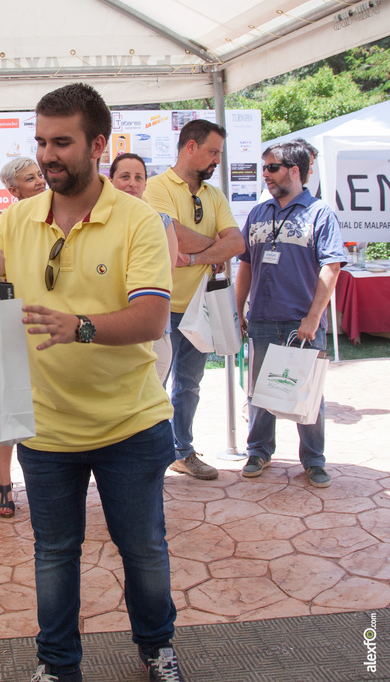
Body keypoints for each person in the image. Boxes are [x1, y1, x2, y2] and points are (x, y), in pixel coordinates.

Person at [0, 83, 185, 682]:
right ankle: (58, 668)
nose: (48, 155)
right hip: (45, 425)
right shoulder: (17, 218)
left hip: (131, 421)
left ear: (98, 144)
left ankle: (158, 649)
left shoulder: (140, 222)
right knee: (54, 555)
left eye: (62, 143)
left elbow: (152, 319)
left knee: (144, 552)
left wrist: (77, 327)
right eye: (42, 142)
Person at [235, 140, 345, 488]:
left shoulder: (320, 213)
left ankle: (314, 460)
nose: (265, 174)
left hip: (302, 323)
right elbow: (247, 266)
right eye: (264, 168)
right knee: (259, 392)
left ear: (294, 171)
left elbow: (332, 268)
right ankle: (258, 452)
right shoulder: (257, 213)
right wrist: (238, 310)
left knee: (307, 395)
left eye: (272, 167)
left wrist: (313, 318)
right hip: (263, 319)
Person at [143, 119, 245, 481]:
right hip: (160, 305)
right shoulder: (154, 188)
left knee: (189, 384)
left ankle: (182, 451)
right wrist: (212, 247)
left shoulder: (214, 194)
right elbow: (174, 237)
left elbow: (237, 244)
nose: (217, 159)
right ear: (190, 147)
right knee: (152, 384)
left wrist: (199, 256)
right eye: (213, 151)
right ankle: (150, 455)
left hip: (200, 307)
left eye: (219, 153)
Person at [0, 156, 46, 517]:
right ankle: (4, 483)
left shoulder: (59, 214)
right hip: (11, 322)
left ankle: (45, 480)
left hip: (48, 324)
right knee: (10, 406)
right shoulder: (2, 222)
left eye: (39, 174)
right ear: (13, 190)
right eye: (30, 178)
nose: (40, 181)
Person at [109, 153, 179, 383]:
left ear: (145, 184)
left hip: (152, 333)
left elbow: (164, 278)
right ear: (110, 181)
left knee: (152, 406)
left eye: (139, 177)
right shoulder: (98, 222)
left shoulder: (162, 222)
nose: (132, 183)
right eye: (125, 176)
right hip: (109, 328)